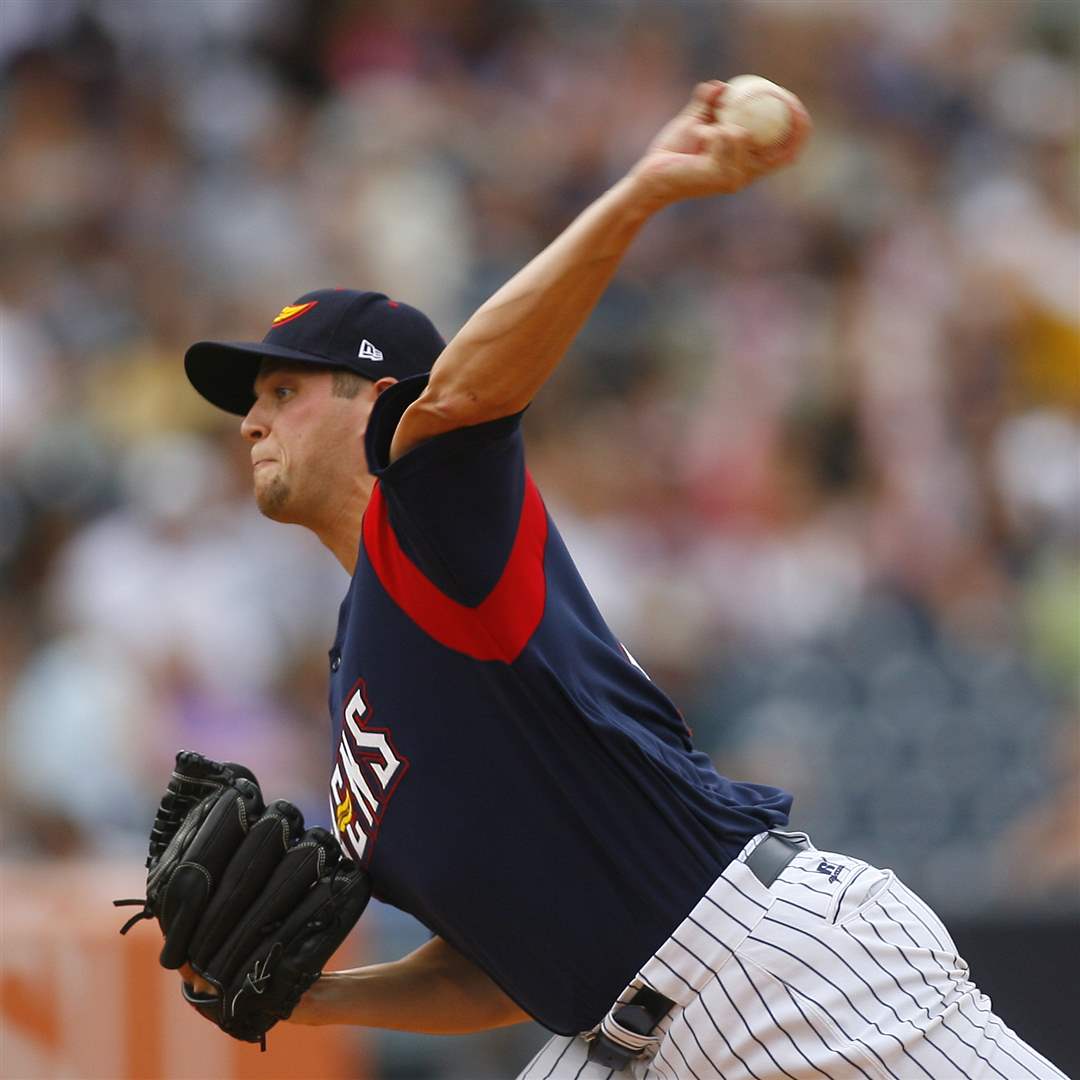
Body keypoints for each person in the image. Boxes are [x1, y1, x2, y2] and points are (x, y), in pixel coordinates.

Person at [181, 82, 1064, 1079]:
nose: (251, 420)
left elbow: (468, 390)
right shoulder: (353, 680)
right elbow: (497, 968)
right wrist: (315, 999)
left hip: (780, 979)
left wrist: (645, 190)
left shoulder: (429, 526)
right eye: (253, 401)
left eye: (284, 390)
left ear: (379, 399)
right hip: (610, 1045)